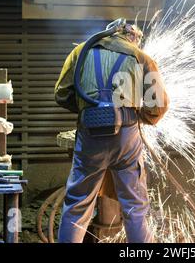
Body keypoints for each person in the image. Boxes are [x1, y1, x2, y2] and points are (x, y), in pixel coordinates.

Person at [54, 20, 169, 243]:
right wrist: (138, 117)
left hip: (90, 136)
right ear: (132, 37)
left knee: (77, 203)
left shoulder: (80, 51)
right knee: (134, 207)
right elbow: (158, 106)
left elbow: (61, 94)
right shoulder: (141, 57)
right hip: (126, 137)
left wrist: (88, 109)